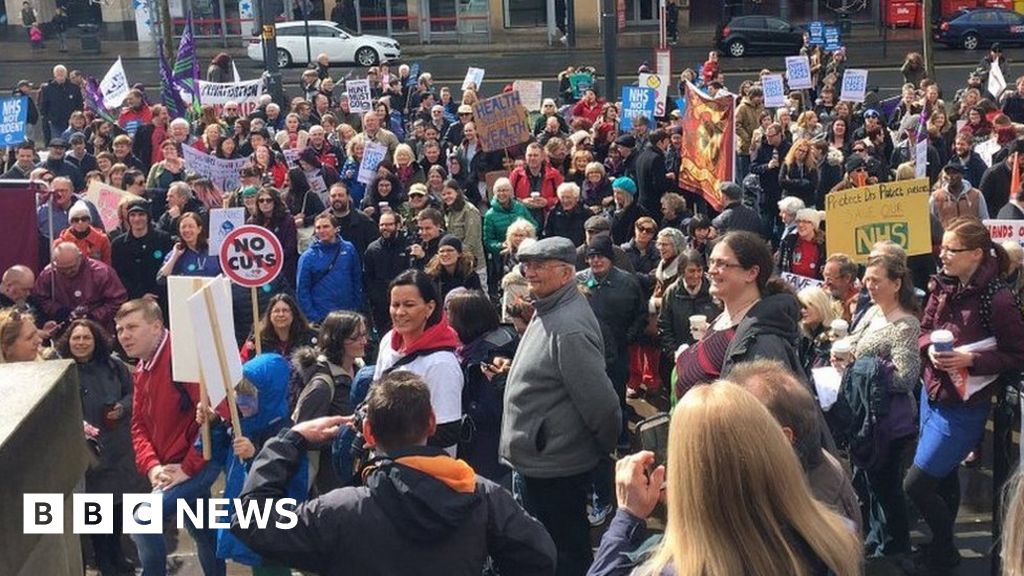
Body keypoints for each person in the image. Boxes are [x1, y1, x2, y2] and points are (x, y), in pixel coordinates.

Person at [231, 372, 557, 575]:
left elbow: (249, 519)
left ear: (369, 433)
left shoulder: (338, 510)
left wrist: (292, 439)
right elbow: (540, 555)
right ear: (431, 423)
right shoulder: (483, 495)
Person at [589, 382, 861, 576]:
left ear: (687, 479)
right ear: (777, 451)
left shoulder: (664, 571)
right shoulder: (838, 537)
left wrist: (627, 516)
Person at [905, 217, 1024, 574]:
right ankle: (942, 550)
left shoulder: (998, 299)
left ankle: (945, 549)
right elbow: (924, 329)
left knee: (917, 485)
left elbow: (1017, 354)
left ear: (975, 253)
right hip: (934, 391)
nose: (942, 256)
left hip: (964, 404)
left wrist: (970, 359)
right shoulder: (942, 283)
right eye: (942, 248)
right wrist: (929, 350)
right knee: (941, 478)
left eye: (950, 250)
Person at [500, 236, 621, 576]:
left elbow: (602, 405)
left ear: (567, 274)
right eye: (527, 265)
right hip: (543, 463)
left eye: (540, 266)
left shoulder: (567, 326)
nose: (530, 273)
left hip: (555, 470)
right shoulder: (550, 307)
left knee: (562, 556)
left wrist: (600, 449)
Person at [116, 299, 224, 576]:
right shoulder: (142, 366)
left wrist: (187, 468)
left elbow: (213, 417)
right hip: (170, 467)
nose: (124, 336)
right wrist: (152, 467)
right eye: (119, 329)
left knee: (142, 521)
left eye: (131, 327)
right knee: (204, 534)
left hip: (196, 462)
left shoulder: (183, 358)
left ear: (156, 327)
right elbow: (138, 424)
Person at [674, 231, 804, 401]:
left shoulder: (761, 340)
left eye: (722, 264)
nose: (711, 271)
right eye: (711, 262)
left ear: (751, 273)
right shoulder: (723, 319)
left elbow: (761, 415)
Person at [55, 319, 141, 576]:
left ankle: (116, 552)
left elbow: (134, 394)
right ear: (68, 341)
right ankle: (102, 557)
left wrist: (122, 408)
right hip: (85, 451)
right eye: (76, 338)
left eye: (86, 338)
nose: (81, 343)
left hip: (117, 447)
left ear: (96, 340)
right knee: (93, 507)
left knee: (116, 505)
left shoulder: (114, 366)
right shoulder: (61, 370)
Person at [374, 270, 464, 455]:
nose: (399, 312)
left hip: (424, 471)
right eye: (395, 305)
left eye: (409, 305)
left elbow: (446, 433)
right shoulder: (388, 341)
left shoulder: (441, 364)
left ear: (430, 308)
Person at [445, 290, 517, 484]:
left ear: (467, 321)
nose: (446, 321)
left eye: (450, 315)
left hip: (488, 452)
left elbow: (490, 409)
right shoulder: (475, 348)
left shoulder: (490, 358)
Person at [292, 311, 368, 493]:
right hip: (328, 479)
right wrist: (342, 433)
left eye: (364, 335)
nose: (364, 341)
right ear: (337, 340)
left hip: (352, 469)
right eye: (355, 337)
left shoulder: (360, 369)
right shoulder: (322, 385)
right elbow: (303, 434)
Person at [33, 242, 127, 334]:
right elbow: (39, 297)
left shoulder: (101, 272)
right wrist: (58, 311)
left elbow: (118, 300)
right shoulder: (49, 274)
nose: (68, 272)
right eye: (62, 270)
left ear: (80, 257)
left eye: (71, 268)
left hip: (98, 329)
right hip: (63, 329)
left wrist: (93, 316)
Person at [296, 213, 363, 324]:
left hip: (348, 315)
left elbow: (357, 279)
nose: (322, 230)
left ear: (336, 228)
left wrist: (355, 308)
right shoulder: (307, 257)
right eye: (318, 227)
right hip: (322, 317)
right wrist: (314, 317)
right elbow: (302, 291)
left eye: (326, 226)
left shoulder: (349, 249)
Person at [658, 248, 721, 358]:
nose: (696, 275)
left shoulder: (714, 290)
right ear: (682, 271)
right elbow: (664, 326)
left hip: (711, 354)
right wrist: (673, 353)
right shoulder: (672, 293)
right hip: (680, 355)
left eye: (699, 270)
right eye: (691, 271)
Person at [363, 211, 410, 335]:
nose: (385, 228)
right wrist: (375, 298)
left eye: (389, 224)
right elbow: (368, 277)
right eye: (382, 225)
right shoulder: (373, 249)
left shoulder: (408, 245)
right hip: (381, 306)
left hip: (405, 301)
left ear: (398, 225)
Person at [240, 293, 317, 362]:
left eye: (285, 310)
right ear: (269, 315)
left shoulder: (310, 337)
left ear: (293, 314)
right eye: (276, 311)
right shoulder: (257, 340)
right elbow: (242, 363)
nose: (281, 314)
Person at [440, 179, 485, 284]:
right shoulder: (449, 211)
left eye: (449, 193)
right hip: (457, 264)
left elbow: (471, 240)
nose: (447, 196)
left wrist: (458, 255)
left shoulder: (469, 210)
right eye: (444, 194)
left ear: (457, 192)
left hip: (473, 264)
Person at [251, 187, 299, 285]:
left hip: (284, 270)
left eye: (268, 200)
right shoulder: (252, 222)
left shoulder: (287, 220)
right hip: (261, 271)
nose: (265, 203)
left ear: (275, 202)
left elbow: (290, 247)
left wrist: (270, 260)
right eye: (261, 200)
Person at [157, 212, 221, 279]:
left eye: (191, 226)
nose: (187, 230)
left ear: (199, 229)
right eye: (183, 227)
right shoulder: (178, 252)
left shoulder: (213, 249)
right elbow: (161, 279)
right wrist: (174, 257)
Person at [929, 159, 990, 230]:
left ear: (962, 175)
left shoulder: (976, 195)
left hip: (971, 238)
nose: (950, 176)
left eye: (954, 173)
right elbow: (931, 220)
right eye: (948, 173)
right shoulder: (936, 197)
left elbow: (984, 219)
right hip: (947, 239)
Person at [425, 235, 483, 302]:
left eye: (450, 250)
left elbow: (479, 300)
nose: (445, 254)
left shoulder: (470, 276)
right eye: (441, 251)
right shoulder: (432, 277)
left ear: (459, 254)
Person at [56, 201, 112, 265]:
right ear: (71, 222)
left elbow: (107, 266)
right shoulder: (60, 243)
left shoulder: (102, 240)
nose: (80, 222)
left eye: (84, 219)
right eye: (76, 220)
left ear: (89, 221)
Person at [797, 286, 838, 372]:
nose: (802, 311)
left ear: (820, 306)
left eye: (806, 306)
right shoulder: (805, 339)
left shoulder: (831, 338)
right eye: (800, 307)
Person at [778, 208, 827, 280]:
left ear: (814, 225)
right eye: (798, 221)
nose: (801, 225)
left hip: (815, 288)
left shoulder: (824, 244)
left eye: (806, 222)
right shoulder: (789, 241)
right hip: (792, 287)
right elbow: (781, 266)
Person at [634, 129, 672, 218]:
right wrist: (669, 179)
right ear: (660, 142)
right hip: (653, 204)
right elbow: (659, 184)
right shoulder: (656, 158)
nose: (668, 144)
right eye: (666, 141)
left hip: (642, 201)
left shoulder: (642, 155)